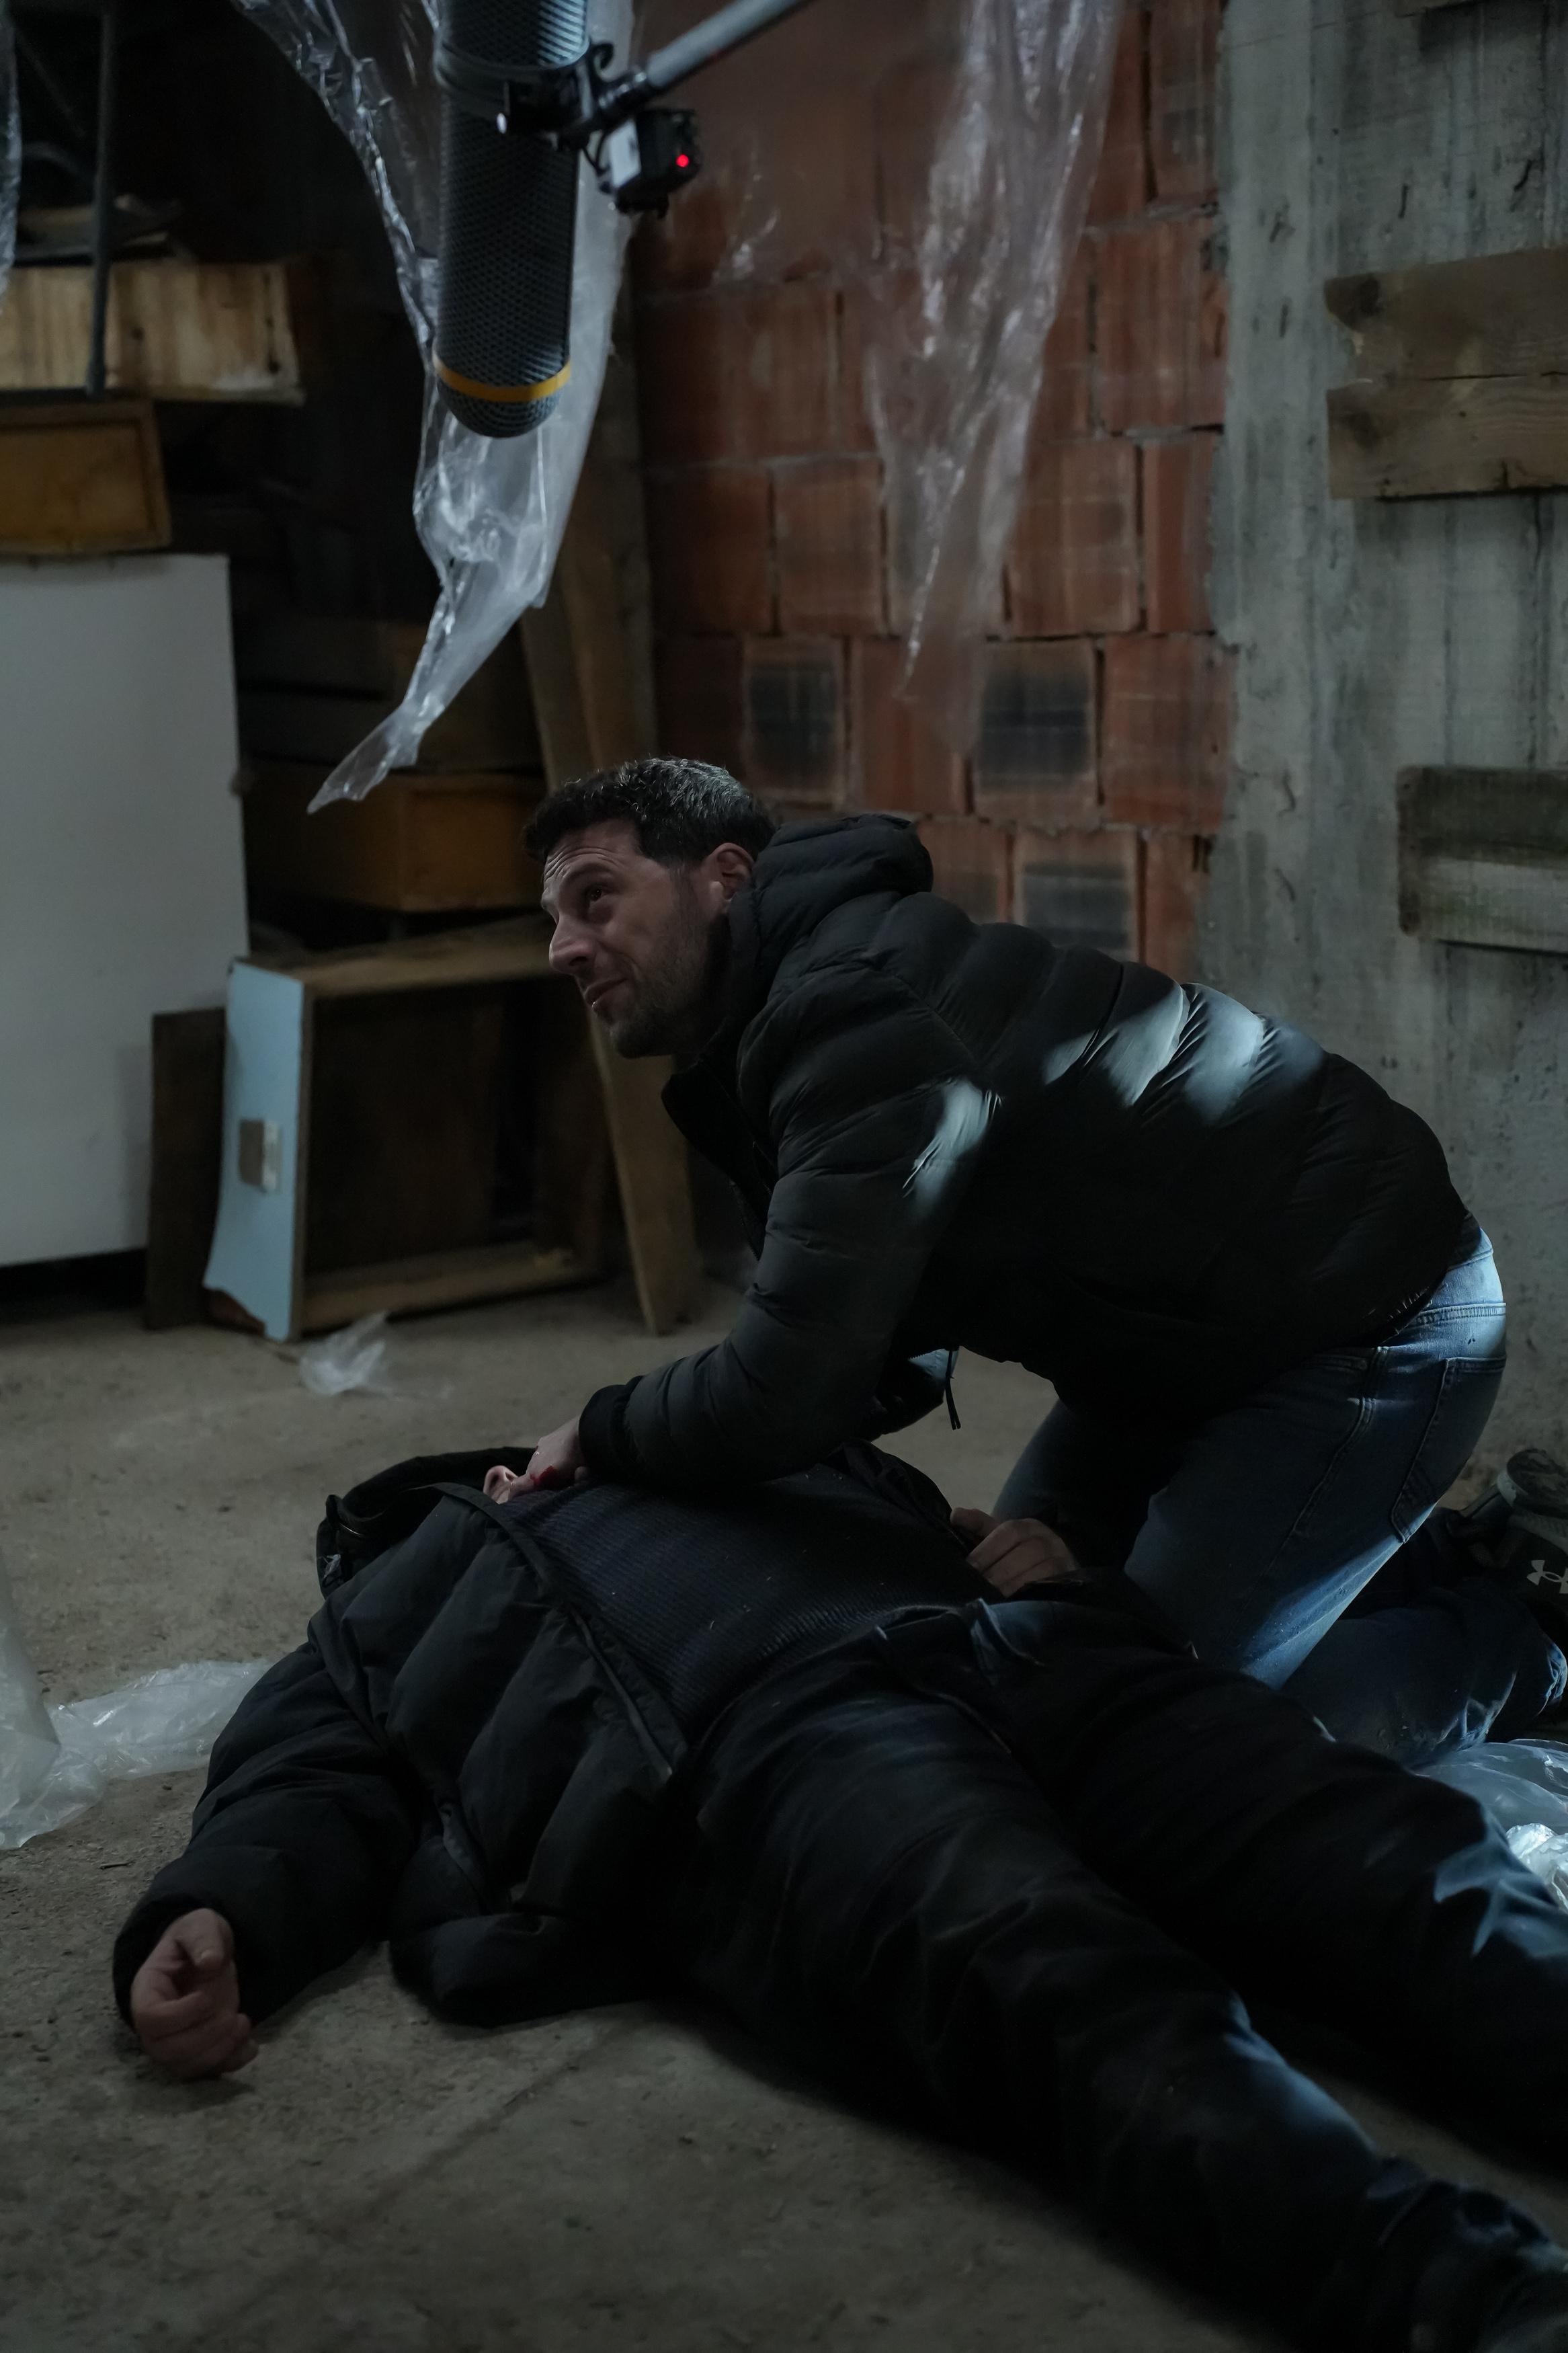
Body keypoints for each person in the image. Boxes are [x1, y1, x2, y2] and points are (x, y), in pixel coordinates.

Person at [118, 1442, 1568, 2352]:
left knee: (1373, 1849)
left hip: (1021, 1645)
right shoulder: (394, 1601)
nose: (524, 1477)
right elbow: (304, 1773)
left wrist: (1030, 1558)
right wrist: (224, 1907)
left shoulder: (739, 1443)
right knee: (1055, 1978)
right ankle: (1473, 2294)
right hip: (774, 1747)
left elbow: (942, 1509)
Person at [515, 758, 1568, 1765]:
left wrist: (605, 1431)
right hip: (1169, 1345)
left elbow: (787, 1384)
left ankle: (1533, 1637)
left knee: (1160, 1741)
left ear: (724, 875)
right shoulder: (785, 1020)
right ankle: (1466, 1551)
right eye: (554, 919)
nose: (564, 948)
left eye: (596, 899)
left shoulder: (854, 1012)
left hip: (1361, 1331)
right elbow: (869, 1345)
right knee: (1006, 1613)